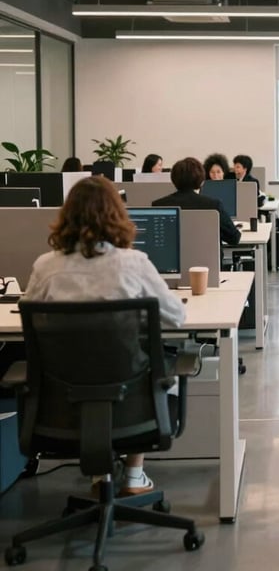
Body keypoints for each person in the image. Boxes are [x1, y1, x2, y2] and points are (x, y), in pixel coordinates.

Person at [23, 176, 186, 497]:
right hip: (133, 405)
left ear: (66, 216)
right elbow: (176, 318)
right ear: (118, 214)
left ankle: (100, 478)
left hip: (63, 406)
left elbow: (28, 312)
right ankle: (134, 476)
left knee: (83, 362)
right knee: (152, 361)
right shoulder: (134, 263)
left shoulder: (45, 267)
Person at [152, 157, 241, 246]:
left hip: (170, 259)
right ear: (202, 181)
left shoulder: (159, 205)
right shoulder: (213, 205)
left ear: (173, 180)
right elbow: (234, 238)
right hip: (207, 259)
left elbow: (154, 240)